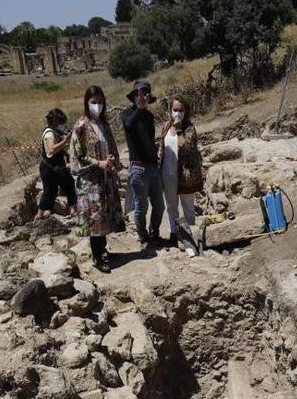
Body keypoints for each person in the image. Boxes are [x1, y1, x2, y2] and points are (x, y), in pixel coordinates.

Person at [70, 86, 125, 272]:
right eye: (93, 102)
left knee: (103, 215)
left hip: (105, 178)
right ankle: (97, 256)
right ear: (86, 103)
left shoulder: (103, 124)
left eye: (100, 102)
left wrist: (111, 160)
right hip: (90, 182)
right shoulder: (81, 125)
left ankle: (103, 250)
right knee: (94, 217)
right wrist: (98, 163)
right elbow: (78, 154)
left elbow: (111, 147)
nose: (97, 106)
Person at [120, 79, 164, 246]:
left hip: (153, 167)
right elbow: (129, 126)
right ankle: (143, 237)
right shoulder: (126, 114)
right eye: (139, 94)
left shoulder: (149, 116)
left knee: (159, 207)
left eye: (145, 93)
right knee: (141, 207)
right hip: (138, 168)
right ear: (134, 97)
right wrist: (139, 109)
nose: (142, 97)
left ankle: (154, 233)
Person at [157, 95, 203, 244]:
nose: (177, 113)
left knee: (188, 207)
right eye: (175, 110)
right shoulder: (165, 127)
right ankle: (174, 234)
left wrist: (178, 130)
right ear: (170, 110)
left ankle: (191, 237)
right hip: (167, 174)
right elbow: (161, 149)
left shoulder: (189, 128)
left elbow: (187, 148)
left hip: (185, 175)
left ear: (186, 111)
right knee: (171, 207)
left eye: (181, 110)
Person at [37, 109, 76, 219]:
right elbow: (51, 149)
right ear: (55, 122)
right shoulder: (49, 133)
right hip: (49, 169)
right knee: (49, 192)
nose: (63, 125)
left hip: (59, 167)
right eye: (61, 123)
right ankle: (39, 215)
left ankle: (72, 209)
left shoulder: (56, 132)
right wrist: (64, 142)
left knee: (69, 184)